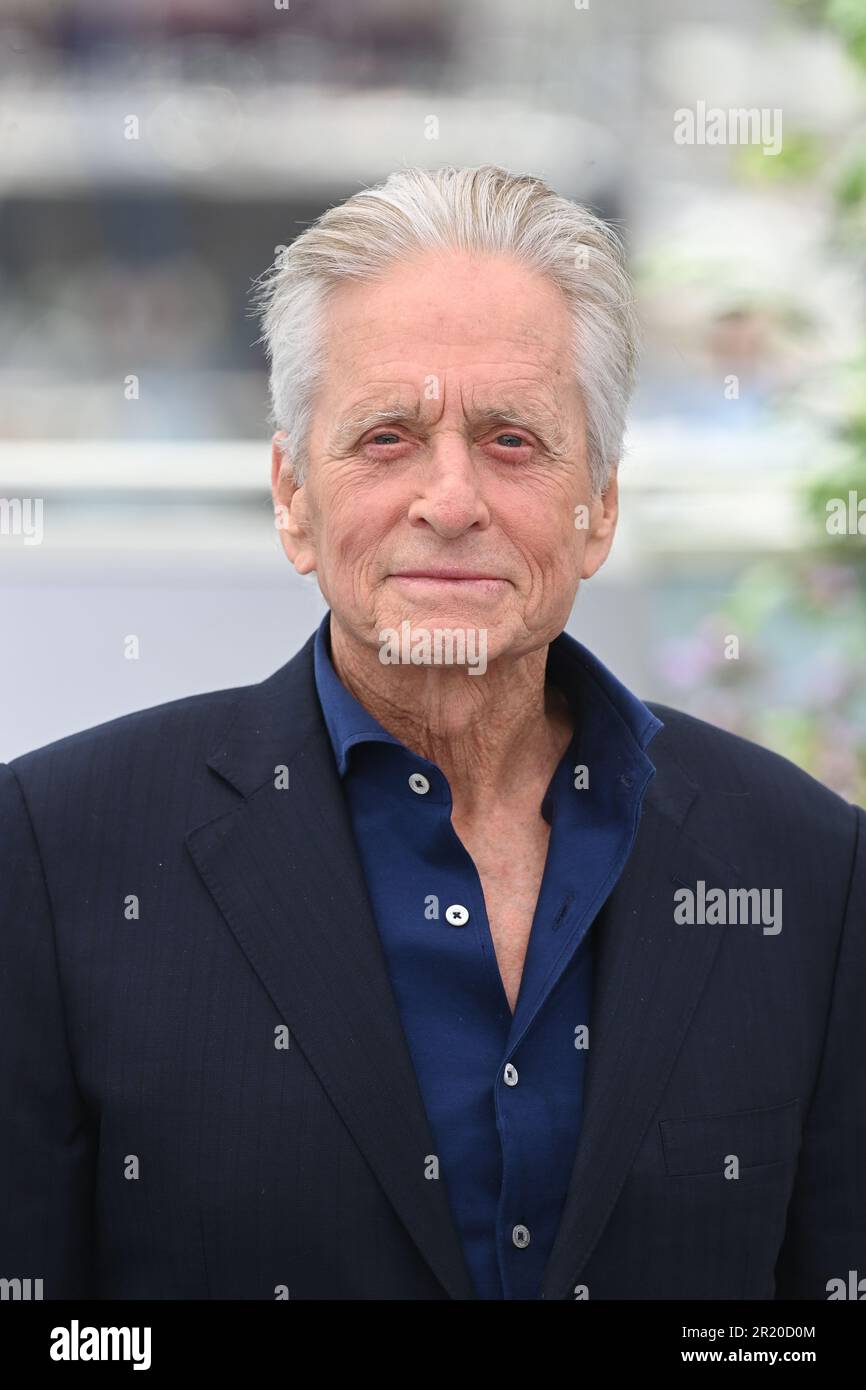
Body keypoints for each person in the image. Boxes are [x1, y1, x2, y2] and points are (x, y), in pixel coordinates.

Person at [1, 166, 863, 1300]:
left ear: (597, 505)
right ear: (292, 497)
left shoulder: (808, 870)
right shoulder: (53, 856)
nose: (448, 500)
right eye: (387, 437)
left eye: (511, 440)